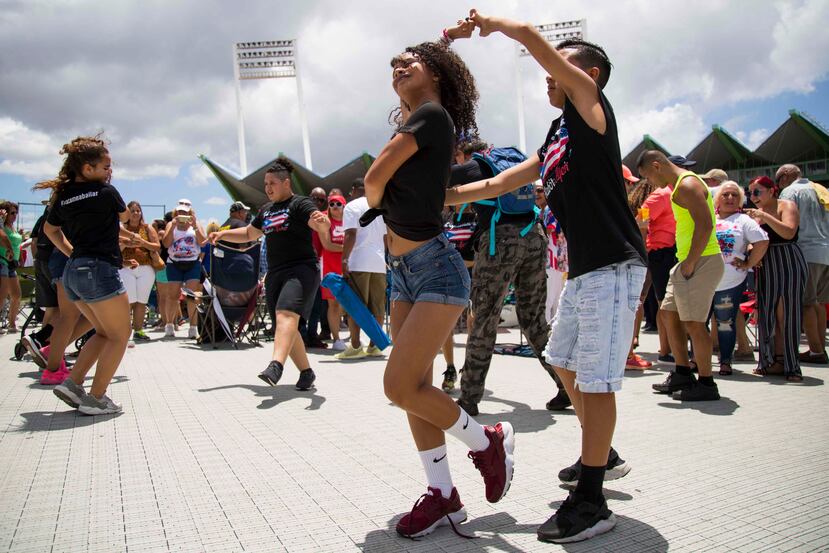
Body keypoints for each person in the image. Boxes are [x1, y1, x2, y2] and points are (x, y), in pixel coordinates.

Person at [446, 12, 646, 543]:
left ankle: (592, 500)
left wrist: (491, 23)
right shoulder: (560, 131)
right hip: (586, 268)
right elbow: (505, 180)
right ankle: (603, 453)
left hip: (614, 261)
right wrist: (447, 196)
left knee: (595, 379)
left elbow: (537, 43)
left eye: (560, 67)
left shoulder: (592, 108)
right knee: (562, 361)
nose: (547, 77)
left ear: (589, 75)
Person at [361, 26, 515, 540]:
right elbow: (423, 190)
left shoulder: (430, 115)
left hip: (433, 269)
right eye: (394, 65)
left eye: (411, 61)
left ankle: (487, 442)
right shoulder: (422, 128)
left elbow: (372, 181)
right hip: (404, 273)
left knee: (397, 386)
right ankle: (443, 494)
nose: (399, 68)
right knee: (414, 390)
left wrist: (379, 198)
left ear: (437, 73)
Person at [450, 137, 570, 415]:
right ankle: (567, 385)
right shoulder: (509, 162)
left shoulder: (473, 166)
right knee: (534, 320)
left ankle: (468, 399)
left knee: (484, 318)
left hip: (501, 242)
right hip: (534, 235)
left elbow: (435, 180)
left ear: (463, 154)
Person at [209, 157, 330, 391]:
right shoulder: (266, 210)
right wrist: (222, 235)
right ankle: (307, 373)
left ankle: (276, 365)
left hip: (301, 269)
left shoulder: (300, 204)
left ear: (286, 183)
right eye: (265, 184)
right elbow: (249, 234)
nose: (267, 188)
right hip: (276, 273)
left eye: (272, 183)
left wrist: (323, 223)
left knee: (286, 315)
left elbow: (319, 224)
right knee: (286, 326)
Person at [40, 135, 131, 415]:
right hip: (100, 270)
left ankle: (73, 384)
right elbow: (125, 218)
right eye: (106, 167)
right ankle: (96, 398)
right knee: (120, 335)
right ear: (87, 168)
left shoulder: (63, 196)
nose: (109, 171)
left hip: (73, 271)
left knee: (104, 332)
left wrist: (71, 252)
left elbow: (49, 230)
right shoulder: (106, 192)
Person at [637, 151, 724, 401]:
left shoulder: (687, 184)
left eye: (648, 176)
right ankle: (683, 372)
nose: (650, 183)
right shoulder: (678, 187)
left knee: (695, 324)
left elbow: (705, 225)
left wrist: (691, 262)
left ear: (657, 166)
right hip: (686, 260)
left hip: (700, 260)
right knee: (667, 313)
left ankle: (706, 383)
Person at [746, 176, 807, 381]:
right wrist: (752, 252)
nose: (753, 196)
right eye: (750, 193)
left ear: (772, 190)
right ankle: (773, 361)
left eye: (757, 192)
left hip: (788, 259)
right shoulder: (756, 215)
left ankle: (792, 366)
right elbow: (751, 240)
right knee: (768, 313)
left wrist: (764, 216)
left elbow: (788, 232)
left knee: (787, 313)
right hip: (766, 263)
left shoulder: (786, 205)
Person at [711, 182, 769, 375]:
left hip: (730, 282)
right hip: (704, 280)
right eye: (725, 194)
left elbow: (762, 241)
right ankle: (696, 361)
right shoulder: (708, 217)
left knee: (725, 323)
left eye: (735, 195)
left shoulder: (743, 220)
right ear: (717, 198)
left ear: (741, 200)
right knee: (698, 323)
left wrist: (749, 263)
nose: (730, 198)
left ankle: (725, 361)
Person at [777, 164, 829, 364]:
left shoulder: (790, 192)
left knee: (806, 302)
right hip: (825, 251)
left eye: (779, 180)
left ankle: (816, 351)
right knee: (819, 303)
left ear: (786, 176)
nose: (779, 185)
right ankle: (819, 348)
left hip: (805, 251)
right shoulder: (820, 189)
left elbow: (787, 224)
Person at [337, 178, 387, 360]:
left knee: (356, 305)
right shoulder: (380, 206)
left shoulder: (352, 206)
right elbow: (385, 238)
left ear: (353, 190)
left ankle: (356, 346)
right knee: (378, 306)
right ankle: (375, 346)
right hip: (379, 262)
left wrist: (344, 259)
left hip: (359, 261)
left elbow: (350, 234)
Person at [637, 176, 678, 364]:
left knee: (667, 303)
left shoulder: (675, 192)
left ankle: (668, 349)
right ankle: (666, 350)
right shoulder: (661, 194)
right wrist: (644, 249)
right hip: (660, 252)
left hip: (672, 251)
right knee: (664, 303)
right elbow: (641, 220)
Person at [160, 202, 206, 338]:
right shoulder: (171, 224)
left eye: (185, 212)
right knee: (172, 295)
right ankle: (169, 324)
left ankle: (193, 327)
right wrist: (172, 227)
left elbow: (203, 242)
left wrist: (195, 226)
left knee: (192, 296)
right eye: (180, 212)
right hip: (174, 263)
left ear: (190, 214)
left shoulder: (196, 224)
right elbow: (166, 244)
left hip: (193, 262)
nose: (182, 215)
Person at [119, 201, 161, 346]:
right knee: (129, 301)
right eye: (132, 210)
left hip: (146, 268)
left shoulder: (147, 228)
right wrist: (126, 243)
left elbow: (157, 246)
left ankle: (138, 330)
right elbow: (114, 249)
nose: (136, 213)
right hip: (126, 267)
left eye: (138, 210)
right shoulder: (122, 228)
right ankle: (126, 332)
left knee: (142, 301)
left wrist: (142, 242)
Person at [318, 194, 347, 351]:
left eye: (338, 204)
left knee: (349, 302)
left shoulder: (350, 220)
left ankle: (355, 338)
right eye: (332, 204)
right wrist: (348, 248)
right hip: (330, 265)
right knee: (333, 303)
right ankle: (336, 339)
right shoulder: (325, 220)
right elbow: (327, 245)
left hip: (348, 265)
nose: (335, 206)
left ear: (344, 206)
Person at [0, 202, 23, 333]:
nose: (15, 215)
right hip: (2, 261)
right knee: (2, 295)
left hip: (12, 264)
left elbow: (17, 245)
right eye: (12, 213)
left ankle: (12, 324)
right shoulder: (2, 226)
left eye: (16, 213)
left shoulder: (13, 228)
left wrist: (19, 258)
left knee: (16, 295)